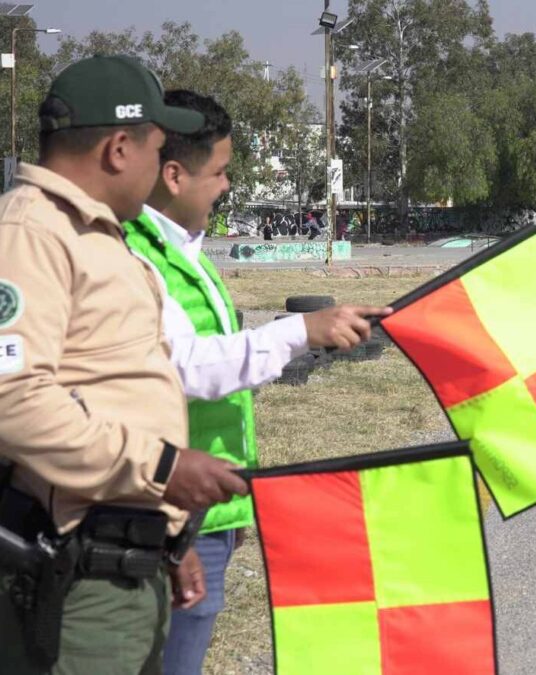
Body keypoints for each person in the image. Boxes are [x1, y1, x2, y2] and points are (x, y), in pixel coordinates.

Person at [122, 90, 392, 675]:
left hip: (208, 509)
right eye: (218, 172)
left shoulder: (187, 254)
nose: (225, 187)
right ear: (173, 174)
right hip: (169, 511)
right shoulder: (135, 256)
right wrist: (298, 332)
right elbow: (181, 369)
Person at [0, 55, 248, 674]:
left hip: (122, 556)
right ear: (118, 149)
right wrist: (162, 469)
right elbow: (12, 396)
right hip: (76, 573)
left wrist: (165, 536)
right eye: (156, 147)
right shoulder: (33, 232)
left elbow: (111, 388)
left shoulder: (96, 234)